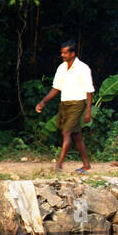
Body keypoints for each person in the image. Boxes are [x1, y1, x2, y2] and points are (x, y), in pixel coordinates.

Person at [35, 39, 94, 173]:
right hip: (64, 103)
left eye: (65, 53)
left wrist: (88, 110)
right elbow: (56, 88)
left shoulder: (83, 68)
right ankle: (86, 164)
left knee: (66, 132)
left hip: (78, 103)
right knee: (76, 135)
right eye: (62, 53)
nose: (62, 55)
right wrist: (43, 101)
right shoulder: (61, 68)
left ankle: (59, 164)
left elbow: (89, 91)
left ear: (73, 53)